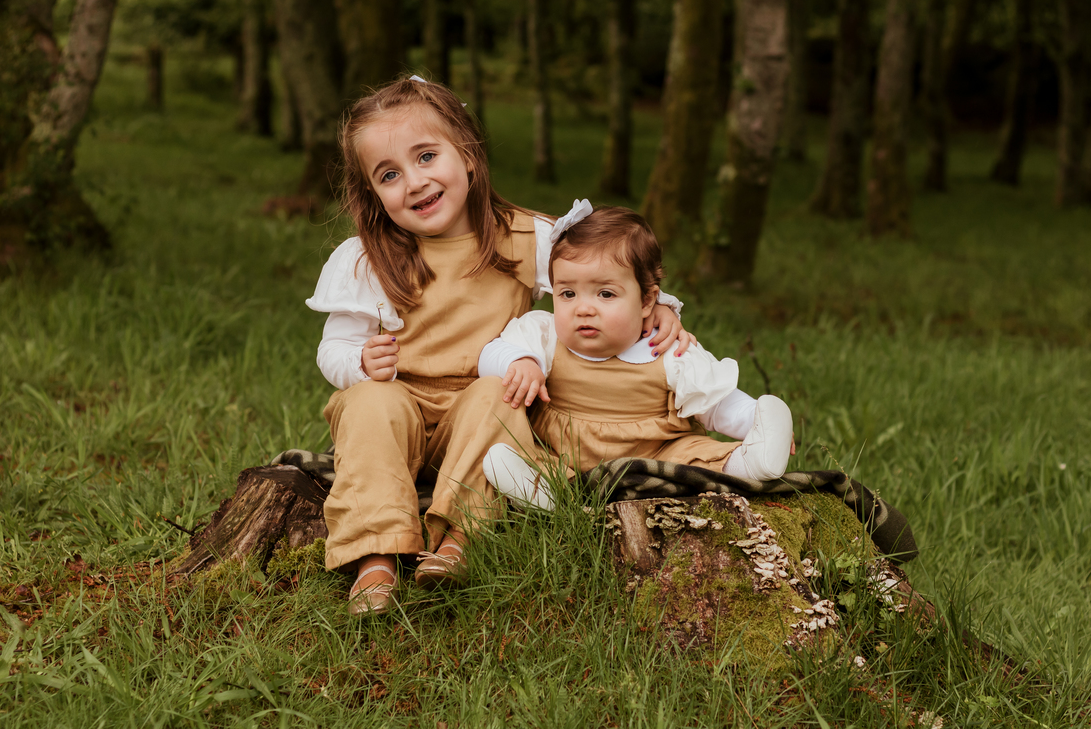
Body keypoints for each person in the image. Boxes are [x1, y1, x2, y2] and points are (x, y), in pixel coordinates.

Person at [306, 78, 691, 615]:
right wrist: (358, 363)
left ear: (466, 154)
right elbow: (334, 350)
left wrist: (660, 307)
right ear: (372, 192)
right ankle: (376, 557)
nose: (414, 183)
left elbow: (603, 272)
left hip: (481, 414)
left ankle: (459, 537)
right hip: (401, 412)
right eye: (389, 175)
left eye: (426, 157)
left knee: (498, 391)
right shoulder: (363, 258)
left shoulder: (525, 237)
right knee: (371, 401)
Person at [478, 202, 795, 510]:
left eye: (605, 294)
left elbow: (716, 403)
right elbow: (489, 354)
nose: (583, 308)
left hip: (657, 454)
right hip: (565, 454)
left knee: (697, 455)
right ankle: (546, 491)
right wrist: (519, 361)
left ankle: (751, 461)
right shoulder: (544, 335)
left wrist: (755, 420)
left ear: (647, 301)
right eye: (567, 293)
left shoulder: (664, 345)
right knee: (531, 452)